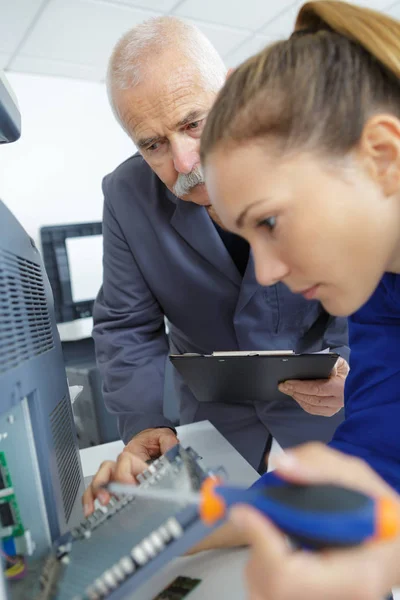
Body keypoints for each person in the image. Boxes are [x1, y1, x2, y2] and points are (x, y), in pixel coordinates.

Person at [83, 17, 349, 514]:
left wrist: (353, 371)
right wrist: (144, 423)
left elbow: (369, 287)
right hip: (215, 425)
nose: (183, 162)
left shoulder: (315, 155)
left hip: (326, 412)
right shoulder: (125, 196)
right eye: (153, 144)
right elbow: (126, 325)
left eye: (193, 123)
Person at [198, 0, 400, 596]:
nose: (264, 273)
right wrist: (177, 517)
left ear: (382, 156)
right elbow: (376, 460)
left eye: (270, 222)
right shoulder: (377, 286)